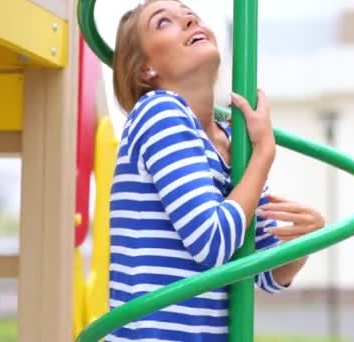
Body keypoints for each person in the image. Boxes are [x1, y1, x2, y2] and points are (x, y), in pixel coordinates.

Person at [108, 1, 326, 340]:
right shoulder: (159, 112)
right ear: (144, 69)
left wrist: (305, 241)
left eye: (189, 13)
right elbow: (211, 242)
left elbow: (264, 272)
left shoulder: (233, 143)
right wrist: (264, 154)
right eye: (164, 21)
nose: (189, 18)